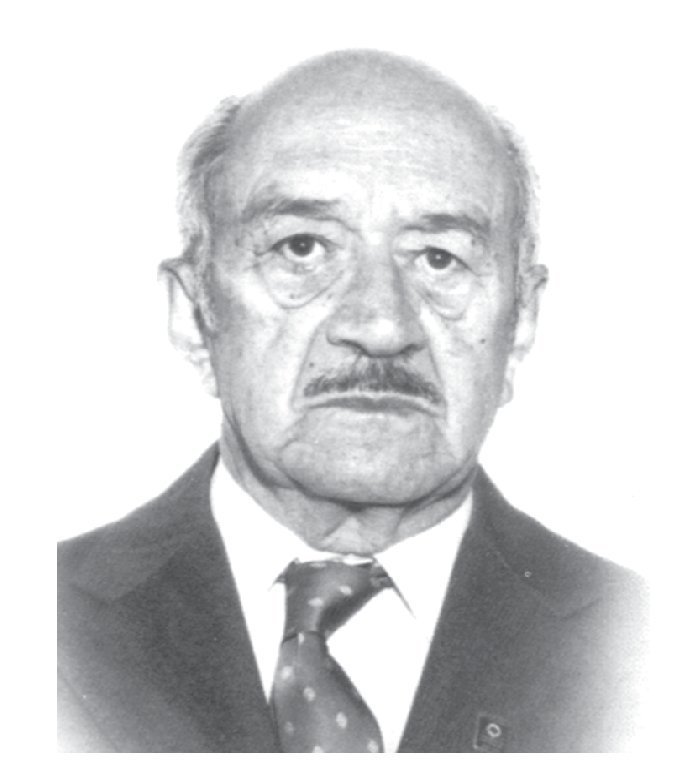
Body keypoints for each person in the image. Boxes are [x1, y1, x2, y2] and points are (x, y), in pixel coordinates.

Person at [57, 49, 648, 753]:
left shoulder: (654, 648)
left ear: (519, 326)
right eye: (302, 248)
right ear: (193, 315)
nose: (381, 326)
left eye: (439, 258)